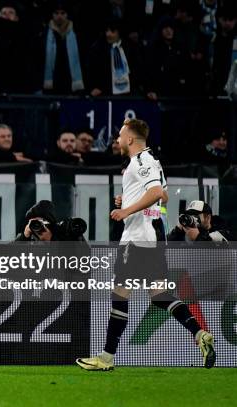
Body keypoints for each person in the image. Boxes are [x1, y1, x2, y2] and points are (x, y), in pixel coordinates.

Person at [76, 118, 215, 371]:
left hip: (138, 238)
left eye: (120, 135)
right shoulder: (151, 162)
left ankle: (106, 358)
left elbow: (154, 194)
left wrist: (126, 209)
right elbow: (162, 194)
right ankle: (199, 334)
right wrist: (128, 197)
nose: (117, 140)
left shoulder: (141, 160)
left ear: (130, 139)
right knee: (160, 295)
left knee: (119, 294)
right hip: (154, 236)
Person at [167, 200, 232, 242]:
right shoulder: (188, 229)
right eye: (190, 215)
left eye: (195, 215)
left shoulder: (220, 228)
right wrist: (178, 230)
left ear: (208, 217)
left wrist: (198, 237)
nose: (192, 217)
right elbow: (167, 245)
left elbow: (215, 246)